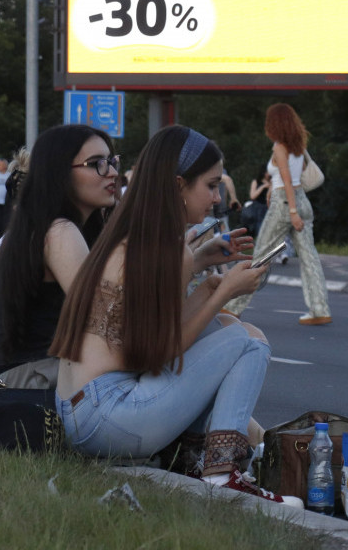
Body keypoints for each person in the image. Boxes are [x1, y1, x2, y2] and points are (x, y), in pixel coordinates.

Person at [48, 125, 297, 506]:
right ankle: (222, 475)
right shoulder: (167, 249)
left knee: (225, 327)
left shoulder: (133, 234)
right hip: (108, 419)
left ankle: (198, 459)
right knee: (248, 343)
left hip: (79, 412)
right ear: (179, 185)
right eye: (210, 186)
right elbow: (161, 352)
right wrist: (225, 290)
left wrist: (207, 278)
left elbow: (149, 330)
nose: (217, 198)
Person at [0, 124, 117, 378]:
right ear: (59, 173)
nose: (113, 172)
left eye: (112, 161)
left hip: (29, 374)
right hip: (27, 382)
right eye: (97, 163)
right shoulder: (58, 232)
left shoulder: (45, 226)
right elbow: (107, 322)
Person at [228, 103, 330, 325]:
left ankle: (234, 308)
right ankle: (319, 309)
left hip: (285, 204)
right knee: (309, 258)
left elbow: (287, 180)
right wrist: (275, 193)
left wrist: (292, 211)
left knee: (261, 256)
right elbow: (295, 177)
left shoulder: (279, 148)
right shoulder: (299, 146)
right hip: (302, 200)